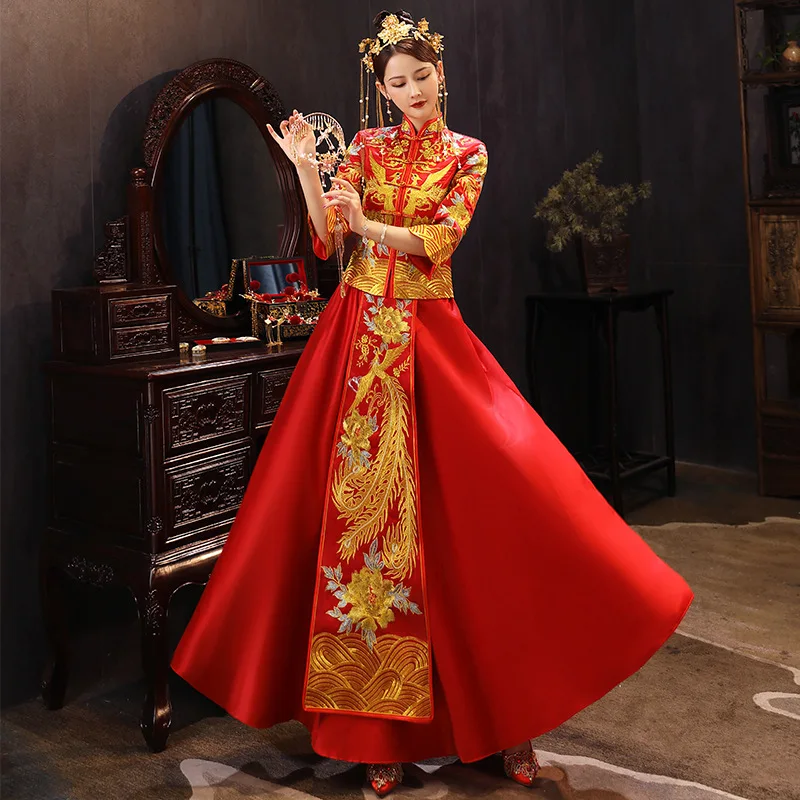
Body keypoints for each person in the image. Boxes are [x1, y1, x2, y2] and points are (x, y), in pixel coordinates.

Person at [170, 10, 693, 797]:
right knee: (355, 536)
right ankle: (374, 730)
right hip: (354, 344)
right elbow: (327, 240)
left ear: (439, 75)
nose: (411, 90)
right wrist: (307, 170)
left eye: (420, 76)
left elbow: (438, 242)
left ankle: (507, 716)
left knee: (481, 524)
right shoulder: (366, 146)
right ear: (381, 91)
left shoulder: (466, 153)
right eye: (397, 82)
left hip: (429, 336)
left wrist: (370, 223)